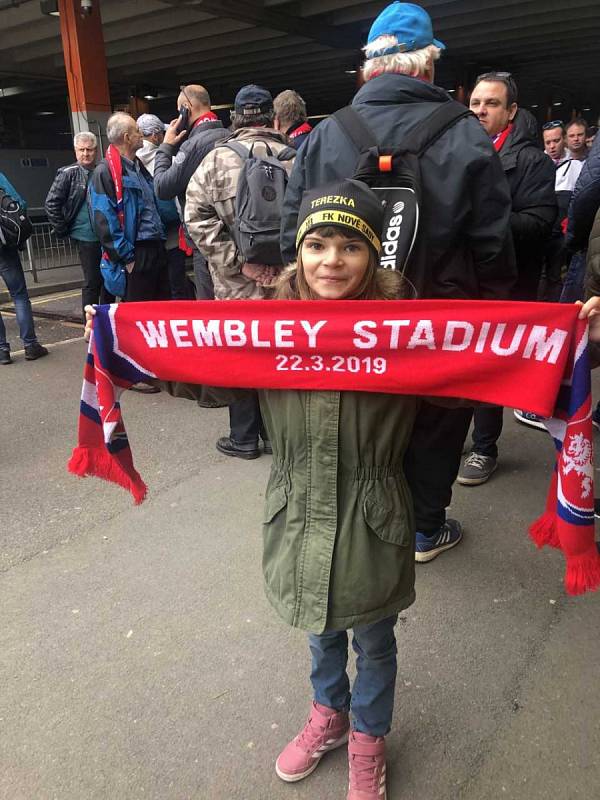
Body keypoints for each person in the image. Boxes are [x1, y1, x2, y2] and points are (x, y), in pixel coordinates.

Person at [86, 179, 423, 800]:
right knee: (318, 624)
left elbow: (487, 369)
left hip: (372, 511)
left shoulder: (407, 331)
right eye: (317, 245)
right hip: (298, 508)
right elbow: (209, 373)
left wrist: (572, 342)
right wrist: (125, 343)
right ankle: (330, 714)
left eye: (350, 248)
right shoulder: (266, 326)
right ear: (299, 251)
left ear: (373, 257)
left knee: (374, 638)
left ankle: (370, 740)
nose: (331, 261)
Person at [281, 1, 516, 562]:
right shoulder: (466, 136)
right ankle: (423, 528)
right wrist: (502, 323)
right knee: (435, 420)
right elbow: (491, 244)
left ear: (369, 69)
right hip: (440, 318)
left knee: (357, 412)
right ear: (428, 67)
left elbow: (291, 231)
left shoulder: (325, 134)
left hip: (345, 322)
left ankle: (358, 523)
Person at [184, 84, 295, 459]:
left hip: (235, 286)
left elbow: (194, 217)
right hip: (286, 284)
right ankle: (282, 437)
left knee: (241, 356)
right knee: (284, 355)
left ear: (235, 120)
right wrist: (285, 267)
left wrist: (238, 261)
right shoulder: (297, 159)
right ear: (274, 119)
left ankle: (245, 437)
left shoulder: (216, 160)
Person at [459, 73, 556, 476]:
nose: (480, 110)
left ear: (511, 112)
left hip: (504, 280)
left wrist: (480, 223)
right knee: (456, 365)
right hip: (460, 279)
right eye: (476, 103)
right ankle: (452, 440)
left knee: (486, 368)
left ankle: (485, 448)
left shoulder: (532, 161)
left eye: (492, 104)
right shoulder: (456, 151)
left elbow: (540, 221)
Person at [153, 84, 228, 300]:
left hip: (205, 242)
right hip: (232, 238)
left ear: (186, 108)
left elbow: (162, 187)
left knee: (210, 310)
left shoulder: (193, 146)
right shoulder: (230, 135)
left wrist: (166, 147)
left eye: (179, 110)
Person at [88, 112, 169, 304]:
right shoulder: (105, 172)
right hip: (137, 253)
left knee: (161, 313)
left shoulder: (136, 166)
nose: (141, 134)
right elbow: (104, 221)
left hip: (154, 247)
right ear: (127, 137)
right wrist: (128, 259)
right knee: (140, 318)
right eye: (137, 131)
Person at [44, 131, 115, 320]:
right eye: (82, 150)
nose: (86, 154)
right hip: (85, 237)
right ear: (75, 151)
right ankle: (90, 325)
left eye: (90, 150)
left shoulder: (104, 170)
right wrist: (63, 229)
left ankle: (107, 321)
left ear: (96, 150)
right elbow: (51, 203)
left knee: (109, 279)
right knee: (93, 282)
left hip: (107, 236)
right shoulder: (68, 173)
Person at [136, 113, 189, 300]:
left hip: (147, 236)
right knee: (177, 282)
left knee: (158, 286)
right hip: (172, 232)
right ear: (157, 136)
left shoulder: (131, 161)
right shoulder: (169, 160)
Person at [0, 171, 48, 365]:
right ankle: (30, 345)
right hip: (4, 249)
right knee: (19, 295)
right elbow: (20, 202)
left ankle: (2, 350)